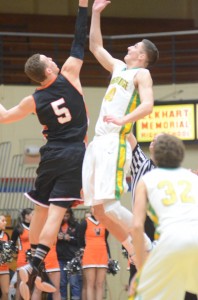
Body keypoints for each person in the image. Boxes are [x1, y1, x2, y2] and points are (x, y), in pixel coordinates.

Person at [0, 0, 88, 298]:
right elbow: (80, 39)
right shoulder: (70, 73)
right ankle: (33, 267)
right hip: (73, 153)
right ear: (49, 68)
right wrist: (84, 6)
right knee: (55, 216)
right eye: (49, 57)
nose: (53, 57)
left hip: (49, 156)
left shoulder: (32, 101)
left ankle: (29, 265)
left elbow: (4, 116)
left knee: (39, 216)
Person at [82, 0, 159, 261]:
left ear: (142, 56)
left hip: (115, 141)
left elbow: (148, 106)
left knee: (111, 206)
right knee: (98, 210)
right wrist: (95, 13)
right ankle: (130, 245)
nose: (129, 47)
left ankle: (147, 245)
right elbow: (95, 46)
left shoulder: (142, 75)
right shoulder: (119, 67)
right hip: (98, 142)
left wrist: (122, 119)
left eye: (134, 46)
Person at [129, 132, 198, 300]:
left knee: (139, 293)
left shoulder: (147, 179)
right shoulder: (193, 177)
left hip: (169, 242)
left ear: (156, 153)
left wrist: (141, 264)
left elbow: (137, 226)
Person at [78, 207, 111, 300]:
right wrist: (82, 254)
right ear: (91, 209)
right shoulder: (85, 223)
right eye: (94, 207)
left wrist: (109, 256)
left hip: (102, 254)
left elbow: (105, 240)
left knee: (100, 284)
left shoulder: (105, 222)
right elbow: (80, 240)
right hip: (89, 255)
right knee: (90, 283)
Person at [56, 208, 82, 300]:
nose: (65, 217)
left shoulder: (77, 225)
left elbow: (80, 242)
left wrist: (70, 239)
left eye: (67, 215)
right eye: (63, 215)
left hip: (72, 258)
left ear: (71, 215)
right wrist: (56, 238)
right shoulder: (56, 225)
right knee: (62, 283)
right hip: (60, 258)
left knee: (74, 283)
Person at [11, 208, 34, 300]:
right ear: (26, 216)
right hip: (22, 259)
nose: (34, 216)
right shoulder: (18, 228)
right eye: (32, 214)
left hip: (33, 260)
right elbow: (12, 244)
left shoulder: (35, 226)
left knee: (30, 286)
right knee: (21, 285)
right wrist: (19, 252)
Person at [0, 215, 10, 300]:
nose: (5, 222)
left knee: (6, 292)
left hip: (4, 267)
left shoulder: (6, 235)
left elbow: (8, 251)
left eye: (5, 220)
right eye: (3, 221)